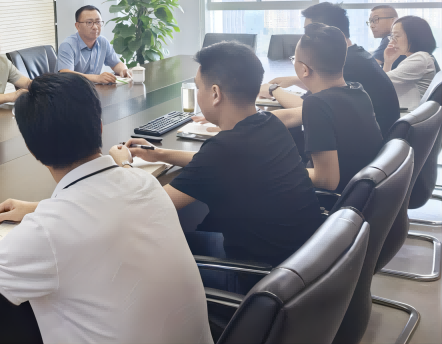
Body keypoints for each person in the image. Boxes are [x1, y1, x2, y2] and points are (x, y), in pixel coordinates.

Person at [0, 73, 213, 344]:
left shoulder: (48, 232)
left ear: (32, 150)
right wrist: (40, 208)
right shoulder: (144, 182)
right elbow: (98, 208)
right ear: (100, 126)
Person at [112, 41, 323, 270]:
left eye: (198, 87)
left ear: (215, 93)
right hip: (302, 264)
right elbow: (219, 163)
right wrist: (159, 154)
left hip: (255, 276)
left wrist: (124, 167)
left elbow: (148, 208)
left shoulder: (223, 150)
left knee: (145, 250)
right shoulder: (270, 124)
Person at [262, 2, 400, 138]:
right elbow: (325, 94)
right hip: (374, 144)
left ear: (329, 33)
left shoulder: (346, 63)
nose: (305, 37)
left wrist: (272, 89)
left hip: (360, 144)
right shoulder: (356, 55)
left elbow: (309, 107)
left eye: (310, 32)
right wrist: (295, 80)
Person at [294, 23, 383, 192]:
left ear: (304, 69)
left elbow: (326, 180)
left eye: (294, 59)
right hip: (365, 193)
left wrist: (282, 170)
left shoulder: (317, 104)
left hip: (336, 199)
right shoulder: (357, 91)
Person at [56, 5, 132, 84]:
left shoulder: (103, 42)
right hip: (69, 89)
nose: (95, 27)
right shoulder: (67, 45)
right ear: (78, 26)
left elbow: (116, 64)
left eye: (98, 22)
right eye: (89, 23)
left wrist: (124, 70)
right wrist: (96, 78)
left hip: (93, 89)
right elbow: (66, 74)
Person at [383, 15, 437, 111]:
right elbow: (384, 84)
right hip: (407, 113)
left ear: (414, 37)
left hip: (409, 115)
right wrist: (388, 62)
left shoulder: (420, 58)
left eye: (397, 36)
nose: (392, 41)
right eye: (392, 36)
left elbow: (381, 82)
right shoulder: (417, 58)